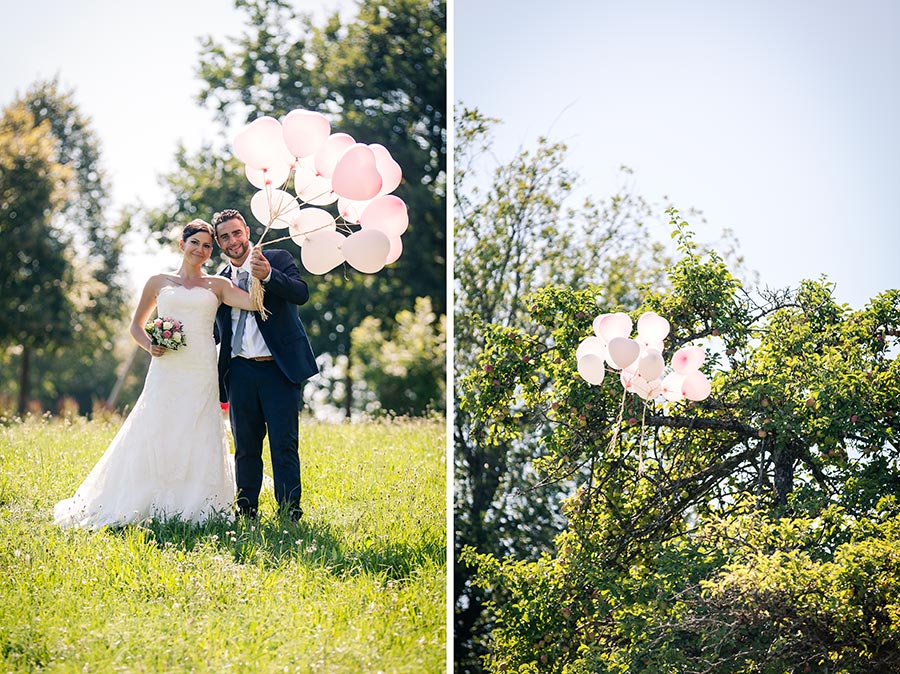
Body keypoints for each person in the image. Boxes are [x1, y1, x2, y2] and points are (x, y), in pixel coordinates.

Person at [54, 220, 256, 529]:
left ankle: (197, 502)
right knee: (158, 424)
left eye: (207, 246)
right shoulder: (158, 281)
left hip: (201, 367)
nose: (201, 250)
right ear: (182, 244)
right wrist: (151, 346)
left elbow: (254, 301)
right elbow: (136, 325)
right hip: (167, 366)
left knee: (198, 425)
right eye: (195, 243)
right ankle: (146, 497)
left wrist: (258, 268)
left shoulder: (217, 285)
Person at [212, 209, 318, 521]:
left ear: (246, 230)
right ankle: (246, 512)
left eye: (236, 233)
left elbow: (301, 293)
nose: (233, 241)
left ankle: (289, 514)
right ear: (219, 243)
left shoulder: (278, 258)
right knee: (245, 448)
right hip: (240, 372)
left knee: (284, 446)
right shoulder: (219, 280)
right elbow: (217, 330)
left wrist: (268, 275)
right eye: (225, 237)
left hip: (278, 369)